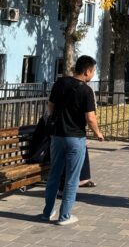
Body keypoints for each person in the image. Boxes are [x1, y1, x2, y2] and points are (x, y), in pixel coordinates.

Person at [41, 55, 104, 226]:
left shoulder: (60, 83)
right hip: (75, 137)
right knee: (72, 178)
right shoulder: (86, 91)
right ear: (87, 71)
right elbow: (90, 117)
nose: (93, 75)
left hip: (57, 136)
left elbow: (51, 105)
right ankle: (65, 216)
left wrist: (56, 118)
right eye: (93, 71)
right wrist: (98, 133)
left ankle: (47, 212)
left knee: (54, 174)